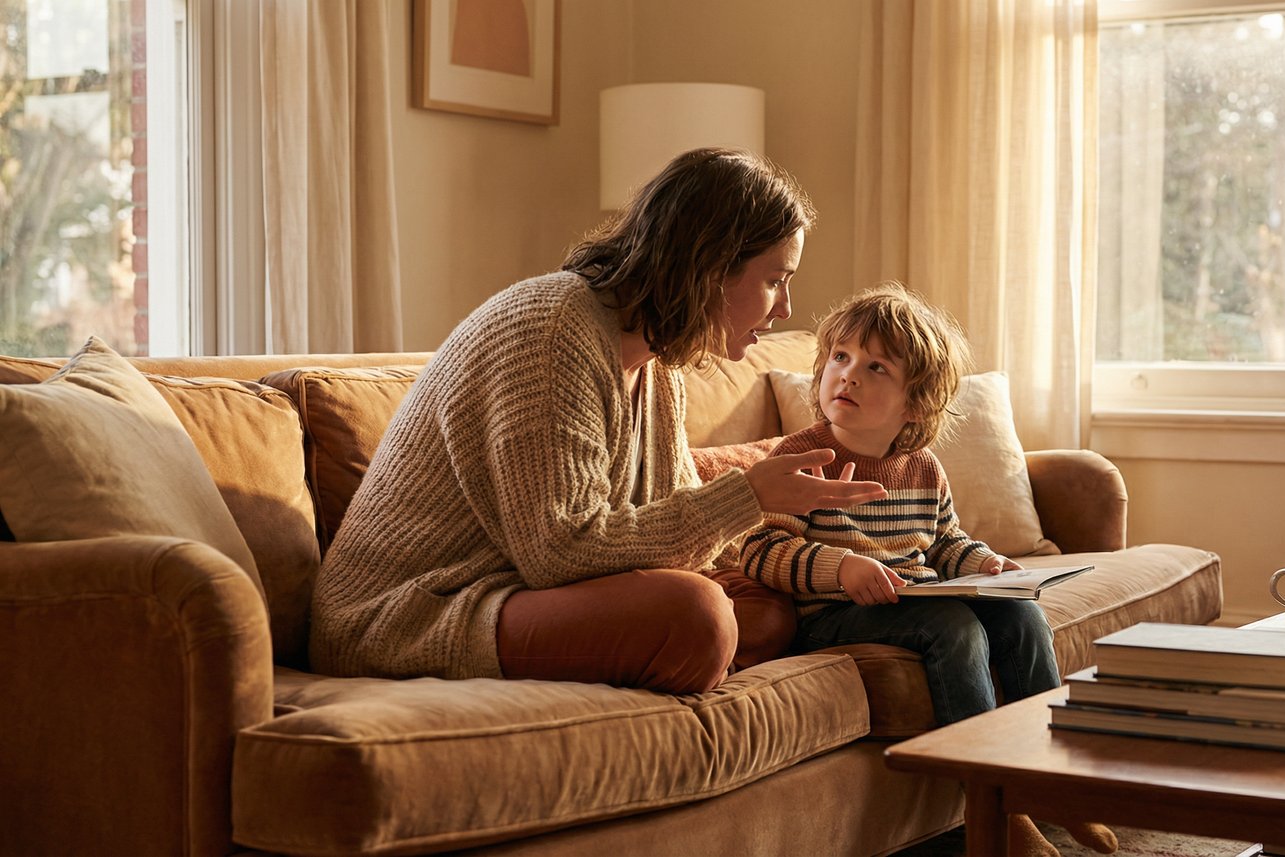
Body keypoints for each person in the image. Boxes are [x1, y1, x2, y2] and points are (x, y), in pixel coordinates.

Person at [308, 148, 887, 694]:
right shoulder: (552, 330)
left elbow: (671, 524)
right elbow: (560, 551)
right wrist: (746, 499)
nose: (785, 307)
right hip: (415, 610)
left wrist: (840, 561)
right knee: (698, 616)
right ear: (710, 265)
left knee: (764, 612)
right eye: (774, 279)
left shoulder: (657, 365)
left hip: (524, 589)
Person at [740, 284, 1117, 856]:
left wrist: (987, 565)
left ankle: (1052, 782)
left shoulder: (923, 469)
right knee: (953, 627)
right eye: (839, 358)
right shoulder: (800, 458)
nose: (849, 376)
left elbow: (944, 541)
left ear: (913, 404)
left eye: (875, 368)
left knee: (1020, 616)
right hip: (834, 614)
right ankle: (989, 802)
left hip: (912, 601)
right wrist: (839, 569)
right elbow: (761, 551)